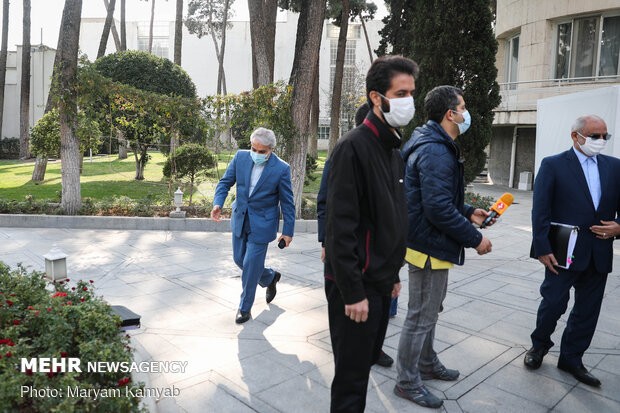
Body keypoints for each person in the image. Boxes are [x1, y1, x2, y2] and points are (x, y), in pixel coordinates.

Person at [325, 55, 418, 413]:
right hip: (356, 287)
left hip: (380, 282)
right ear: (376, 97)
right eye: (401, 92)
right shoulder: (354, 146)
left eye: (411, 92)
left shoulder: (392, 149)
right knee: (351, 380)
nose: (408, 100)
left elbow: (389, 220)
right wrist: (352, 292)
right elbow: (340, 227)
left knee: (362, 367)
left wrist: (392, 275)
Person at [396, 85, 493, 409]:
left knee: (429, 311)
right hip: (427, 245)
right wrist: (475, 237)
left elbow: (433, 197)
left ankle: (426, 362)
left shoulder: (432, 141)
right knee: (421, 315)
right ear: (450, 114)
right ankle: (408, 382)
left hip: (427, 242)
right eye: (463, 108)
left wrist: (467, 211)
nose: (466, 114)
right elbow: (436, 208)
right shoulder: (436, 149)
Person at [525, 115, 620, 386]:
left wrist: (618, 227)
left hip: (599, 252)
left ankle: (572, 358)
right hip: (561, 250)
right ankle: (539, 346)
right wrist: (542, 248)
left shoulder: (615, 167)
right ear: (575, 136)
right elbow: (540, 210)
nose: (600, 141)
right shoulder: (553, 164)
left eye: (605, 136)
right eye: (594, 136)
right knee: (553, 303)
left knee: (587, 311)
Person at [317, 103, 394, 370]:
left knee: (381, 314)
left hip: (381, 264)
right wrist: (326, 241)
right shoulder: (346, 151)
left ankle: (375, 345)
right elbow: (326, 203)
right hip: (352, 260)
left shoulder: (392, 155)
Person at [211, 127, 295, 324]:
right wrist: (218, 204)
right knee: (239, 259)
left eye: (261, 151)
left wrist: (288, 231)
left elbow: (287, 202)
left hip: (263, 224)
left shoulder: (281, 169)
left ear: (271, 150)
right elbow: (224, 183)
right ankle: (269, 277)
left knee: (249, 266)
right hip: (240, 218)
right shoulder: (240, 157)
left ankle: (244, 308)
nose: (256, 154)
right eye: (253, 149)